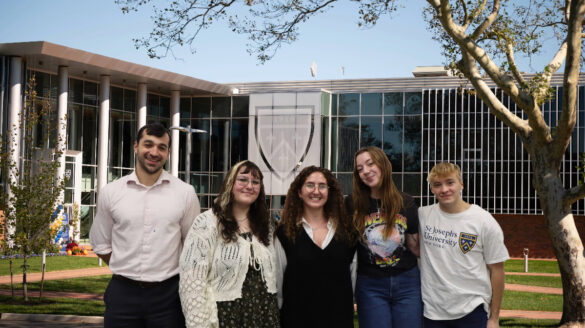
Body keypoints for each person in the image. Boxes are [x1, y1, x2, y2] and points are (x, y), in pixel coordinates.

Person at [90, 122, 201, 327]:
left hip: (169, 297)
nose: (154, 152)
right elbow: (100, 243)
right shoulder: (111, 192)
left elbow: (193, 247)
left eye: (161, 147)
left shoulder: (185, 193)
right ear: (136, 147)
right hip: (122, 294)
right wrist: (127, 267)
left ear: (168, 153)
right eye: (148, 144)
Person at [179, 160, 279, 328]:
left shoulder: (264, 226)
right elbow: (191, 283)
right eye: (243, 179)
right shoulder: (207, 224)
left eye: (255, 182)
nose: (249, 186)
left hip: (264, 316)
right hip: (225, 318)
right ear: (230, 183)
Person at [419, 162, 509, 328]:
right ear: (431, 189)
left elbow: (497, 271)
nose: (444, 189)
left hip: (472, 310)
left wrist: (494, 318)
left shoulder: (483, 220)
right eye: (437, 185)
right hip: (433, 312)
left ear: (461, 184)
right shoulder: (423, 216)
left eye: (450, 182)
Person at [347, 146, 422, 328]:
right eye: (360, 169)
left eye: (370, 164)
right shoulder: (351, 204)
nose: (366, 171)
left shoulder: (406, 202)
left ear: (383, 165)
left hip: (407, 282)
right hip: (370, 285)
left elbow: (415, 246)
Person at [275, 166, 356, 328]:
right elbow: (278, 285)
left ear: (329, 191)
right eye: (310, 185)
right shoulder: (284, 234)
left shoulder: (347, 233)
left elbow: (352, 281)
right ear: (299, 192)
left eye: (322, 186)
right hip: (296, 320)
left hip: (338, 320)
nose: (316, 191)